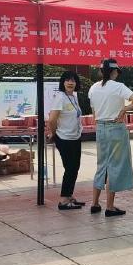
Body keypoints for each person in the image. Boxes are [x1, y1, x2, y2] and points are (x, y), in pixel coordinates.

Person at [88, 59, 133, 217]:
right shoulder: (118, 86)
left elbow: (94, 113)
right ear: (114, 71)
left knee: (101, 165)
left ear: (101, 71)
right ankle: (110, 206)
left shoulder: (93, 88)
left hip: (100, 128)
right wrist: (124, 109)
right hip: (116, 128)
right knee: (114, 167)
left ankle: (95, 204)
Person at [46, 71, 84, 210]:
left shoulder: (74, 97)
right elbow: (52, 119)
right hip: (64, 138)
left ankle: (69, 196)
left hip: (75, 137)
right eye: (67, 80)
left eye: (73, 80)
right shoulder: (60, 97)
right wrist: (54, 133)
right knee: (70, 168)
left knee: (75, 168)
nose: (70, 83)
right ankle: (63, 200)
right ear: (63, 82)